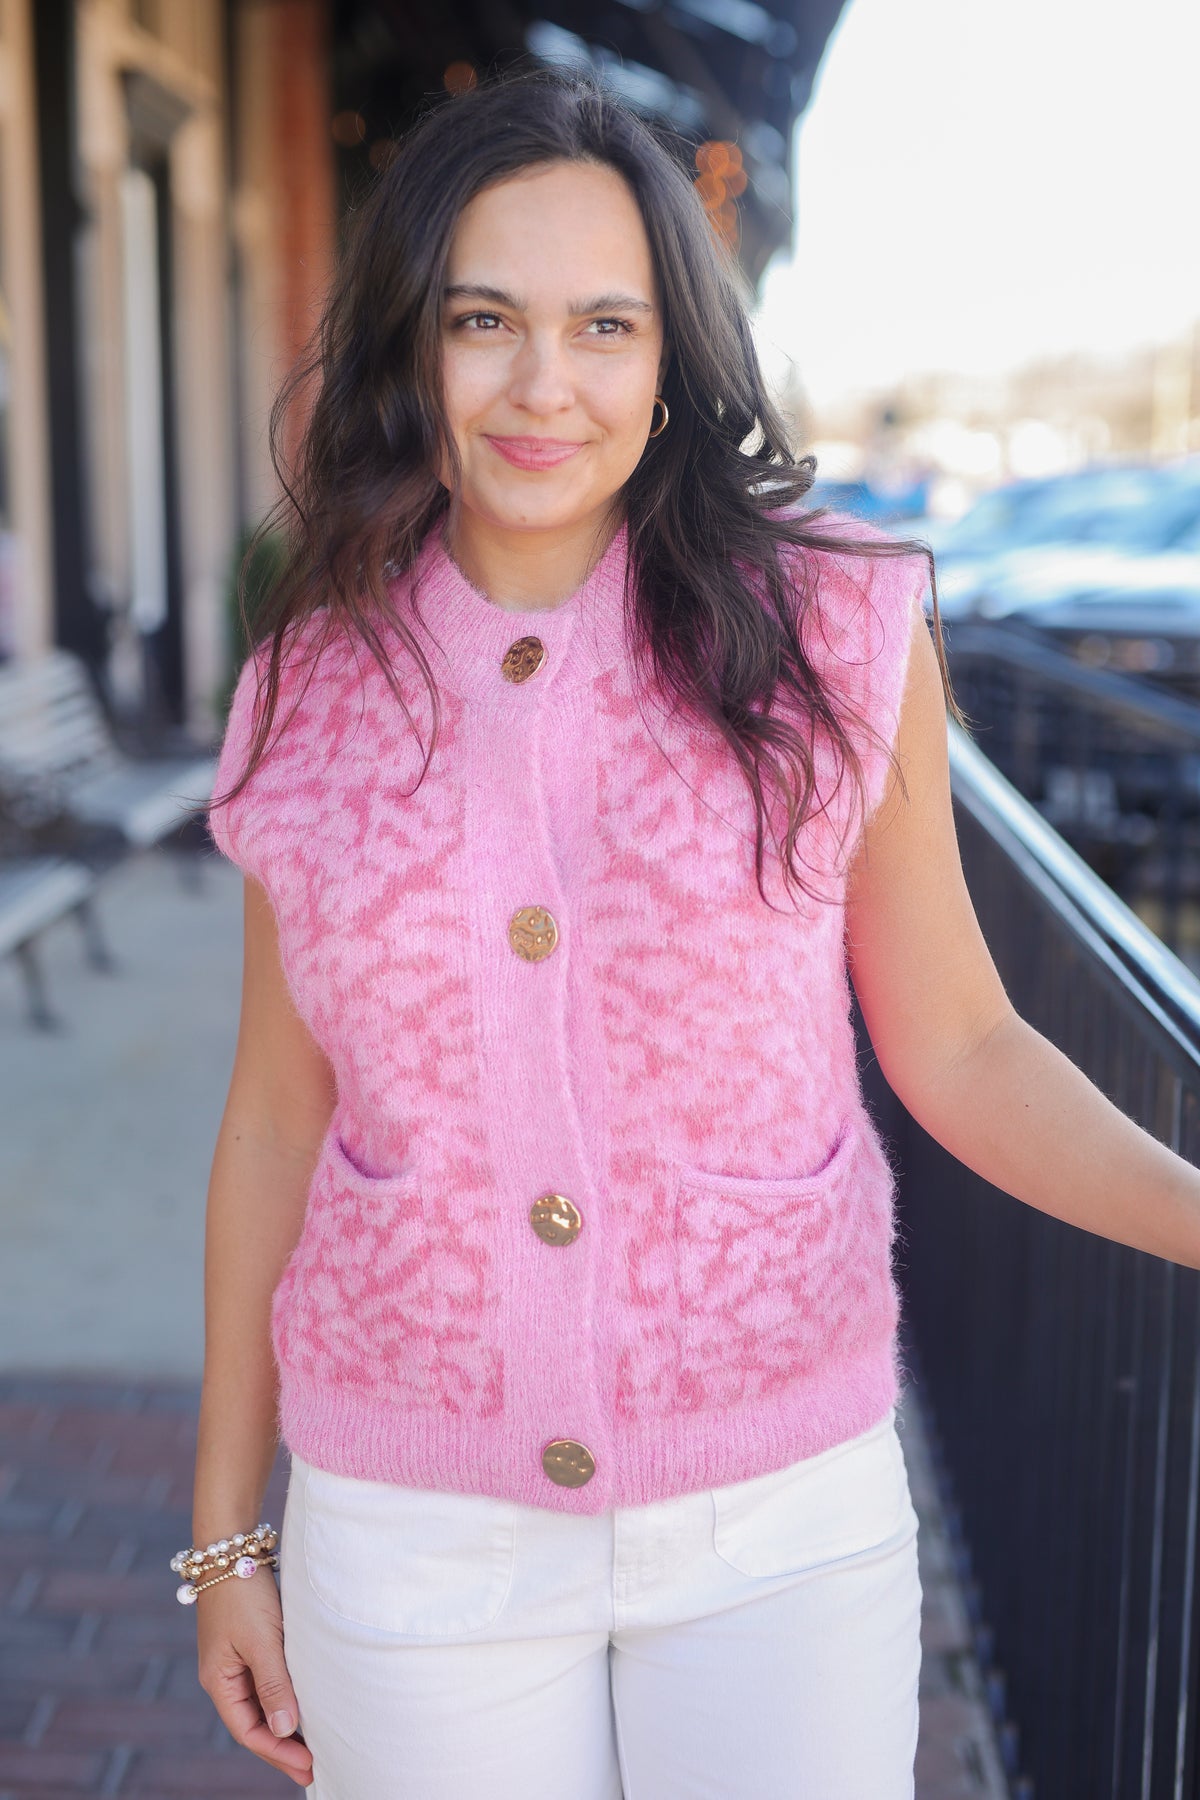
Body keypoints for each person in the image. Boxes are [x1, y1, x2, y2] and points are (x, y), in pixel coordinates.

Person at [187, 66, 1200, 1800]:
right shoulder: (313, 685)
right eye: (483, 319)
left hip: (775, 1517)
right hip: (415, 1527)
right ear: (407, 348)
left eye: (604, 325)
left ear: (671, 365)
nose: (542, 384)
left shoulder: (834, 636)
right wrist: (225, 1535)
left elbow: (960, 1044)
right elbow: (283, 1113)